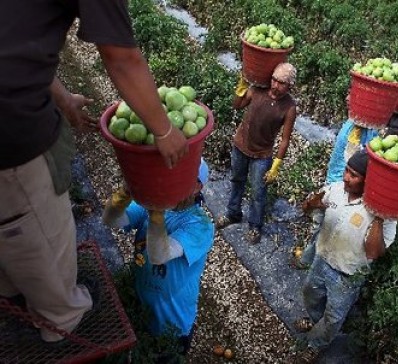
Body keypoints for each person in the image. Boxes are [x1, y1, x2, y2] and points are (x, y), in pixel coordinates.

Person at [0, 1, 187, 343]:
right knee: (34, 227)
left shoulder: (197, 227)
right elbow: (122, 58)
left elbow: (14, 39)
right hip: (10, 131)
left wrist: (60, 96)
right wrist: (163, 131)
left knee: (12, 226)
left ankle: (13, 286)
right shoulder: (168, 214)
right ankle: (61, 321)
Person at [102, 159, 214, 360]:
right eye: (171, 175)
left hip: (172, 324)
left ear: (197, 187)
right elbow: (111, 220)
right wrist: (125, 193)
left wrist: (156, 208)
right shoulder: (148, 205)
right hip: (141, 309)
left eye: (181, 179)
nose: (172, 182)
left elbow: (159, 255)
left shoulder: (201, 225)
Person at [294, 150, 397, 364]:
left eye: (353, 175)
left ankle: (316, 344)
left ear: (368, 181)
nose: (346, 178)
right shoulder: (335, 190)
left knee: (334, 316)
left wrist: (378, 218)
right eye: (346, 171)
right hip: (322, 259)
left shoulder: (383, 215)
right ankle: (315, 321)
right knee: (310, 294)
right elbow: (306, 209)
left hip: (347, 275)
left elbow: (374, 252)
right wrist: (312, 204)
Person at [215, 63, 298, 244]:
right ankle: (233, 213)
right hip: (240, 146)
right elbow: (237, 105)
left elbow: (285, 139)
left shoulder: (289, 107)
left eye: (282, 83)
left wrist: (276, 164)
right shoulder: (257, 90)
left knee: (258, 192)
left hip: (262, 154)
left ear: (290, 85)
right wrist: (242, 86)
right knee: (237, 181)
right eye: (274, 80)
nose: (276, 85)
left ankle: (255, 226)